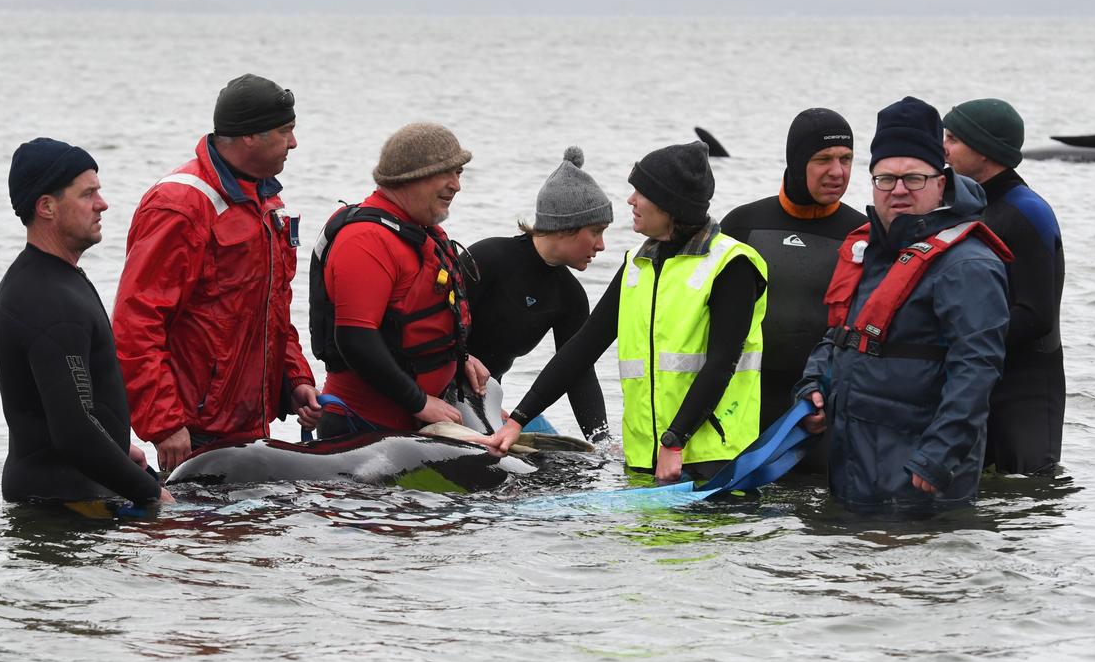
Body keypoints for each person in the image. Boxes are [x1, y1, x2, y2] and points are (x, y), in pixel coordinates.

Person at [483, 141, 769, 482]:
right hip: (645, 457)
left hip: (713, 459)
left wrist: (675, 441)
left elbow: (722, 363)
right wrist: (518, 419)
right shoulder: (637, 263)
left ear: (669, 204)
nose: (630, 200)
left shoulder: (731, 265)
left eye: (640, 192)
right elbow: (583, 347)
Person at [796, 97, 1011, 512]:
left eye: (913, 178)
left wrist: (937, 458)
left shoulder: (968, 265)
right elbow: (839, 336)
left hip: (920, 476)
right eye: (885, 179)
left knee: (919, 575)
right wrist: (811, 386)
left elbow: (977, 369)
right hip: (854, 463)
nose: (897, 190)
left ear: (941, 182)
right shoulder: (870, 251)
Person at [112, 74, 319, 472]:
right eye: (285, 131)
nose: (294, 143)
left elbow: (272, 310)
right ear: (248, 138)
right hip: (194, 430)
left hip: (249, 425)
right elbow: (135, 323)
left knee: (254, 532)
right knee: (195, 535)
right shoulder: (180, 205)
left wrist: (296, 379)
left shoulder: (264, 198)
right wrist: (164, 424)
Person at [0, 138, 172, 505]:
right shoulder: (48, 300)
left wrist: (119, 445)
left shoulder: (53, 278)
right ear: (46, 206)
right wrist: (154, 497)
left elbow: (71, 407)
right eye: (88, 194)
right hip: (63, 507)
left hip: (73, 490)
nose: (102, 204)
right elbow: (74, 432)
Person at [309, 122, 487, 438]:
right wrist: (418, 401)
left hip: (418, 424)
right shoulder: (365, 240)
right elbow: (355, 338)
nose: (456, 185)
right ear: (410, 176)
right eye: (447, 173)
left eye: (459, 173)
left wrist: (460, 360)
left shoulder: (419, 229)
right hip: (362, 428)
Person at [719, 108, 866, 471]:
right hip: (743, 410)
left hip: (819, 411)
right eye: (823, 159)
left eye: (846, 159)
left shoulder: (862, 235)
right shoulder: (744, 224)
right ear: (797, 161)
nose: (838, 171)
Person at [943, 98, 1066, 475]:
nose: (942, 148)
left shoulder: (1027, 211)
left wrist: (961, 344)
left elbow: (1036, 315)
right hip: (978, 377)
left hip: (1026, 384)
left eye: (952, 138)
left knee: (1025, 498)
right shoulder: (969, 209)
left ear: (986, 149)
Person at [465, 146, 611, 442]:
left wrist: (602, 442)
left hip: (485, 401)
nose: (602, 245)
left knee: (566, 463)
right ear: (564, 227)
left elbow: (578, 372)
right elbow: (428, 329)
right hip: (438, 391)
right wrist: (460, 359)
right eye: (595, 232)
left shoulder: (570, 296)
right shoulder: (488, 258)